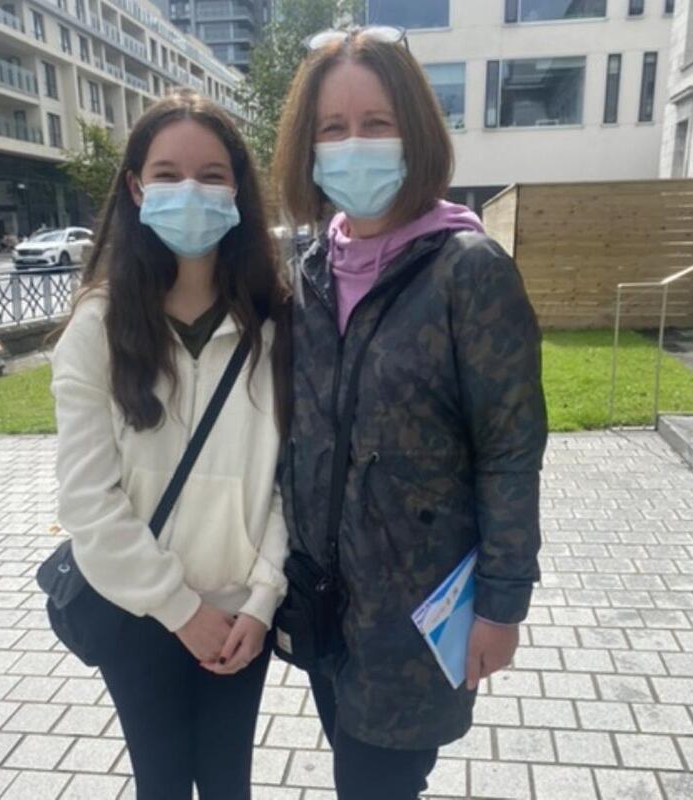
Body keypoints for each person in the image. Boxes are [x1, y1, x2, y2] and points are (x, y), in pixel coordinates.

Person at [273, 27, 548, 800]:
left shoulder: (469, 271)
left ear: (414, 131)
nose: (353, 144)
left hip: (421, 614)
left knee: (376, 785)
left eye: (376, 122)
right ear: (309, 146)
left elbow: (511, 447)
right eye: (333, 128)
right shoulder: (308, 273)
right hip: (324, 599)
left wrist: (502, 604)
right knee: (356, 770)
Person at [50, 91, 290, 800]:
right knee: (160, 785)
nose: (191, 191)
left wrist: (263, 599)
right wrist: (180, 611)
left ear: (239, 189)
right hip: (140, 612)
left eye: (213, 174)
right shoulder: (98, 329)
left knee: (228, 787)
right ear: (134, 186)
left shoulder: (274, 325)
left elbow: (289, 481)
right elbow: (88, 503)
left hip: (241, 618)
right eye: (167, 173)